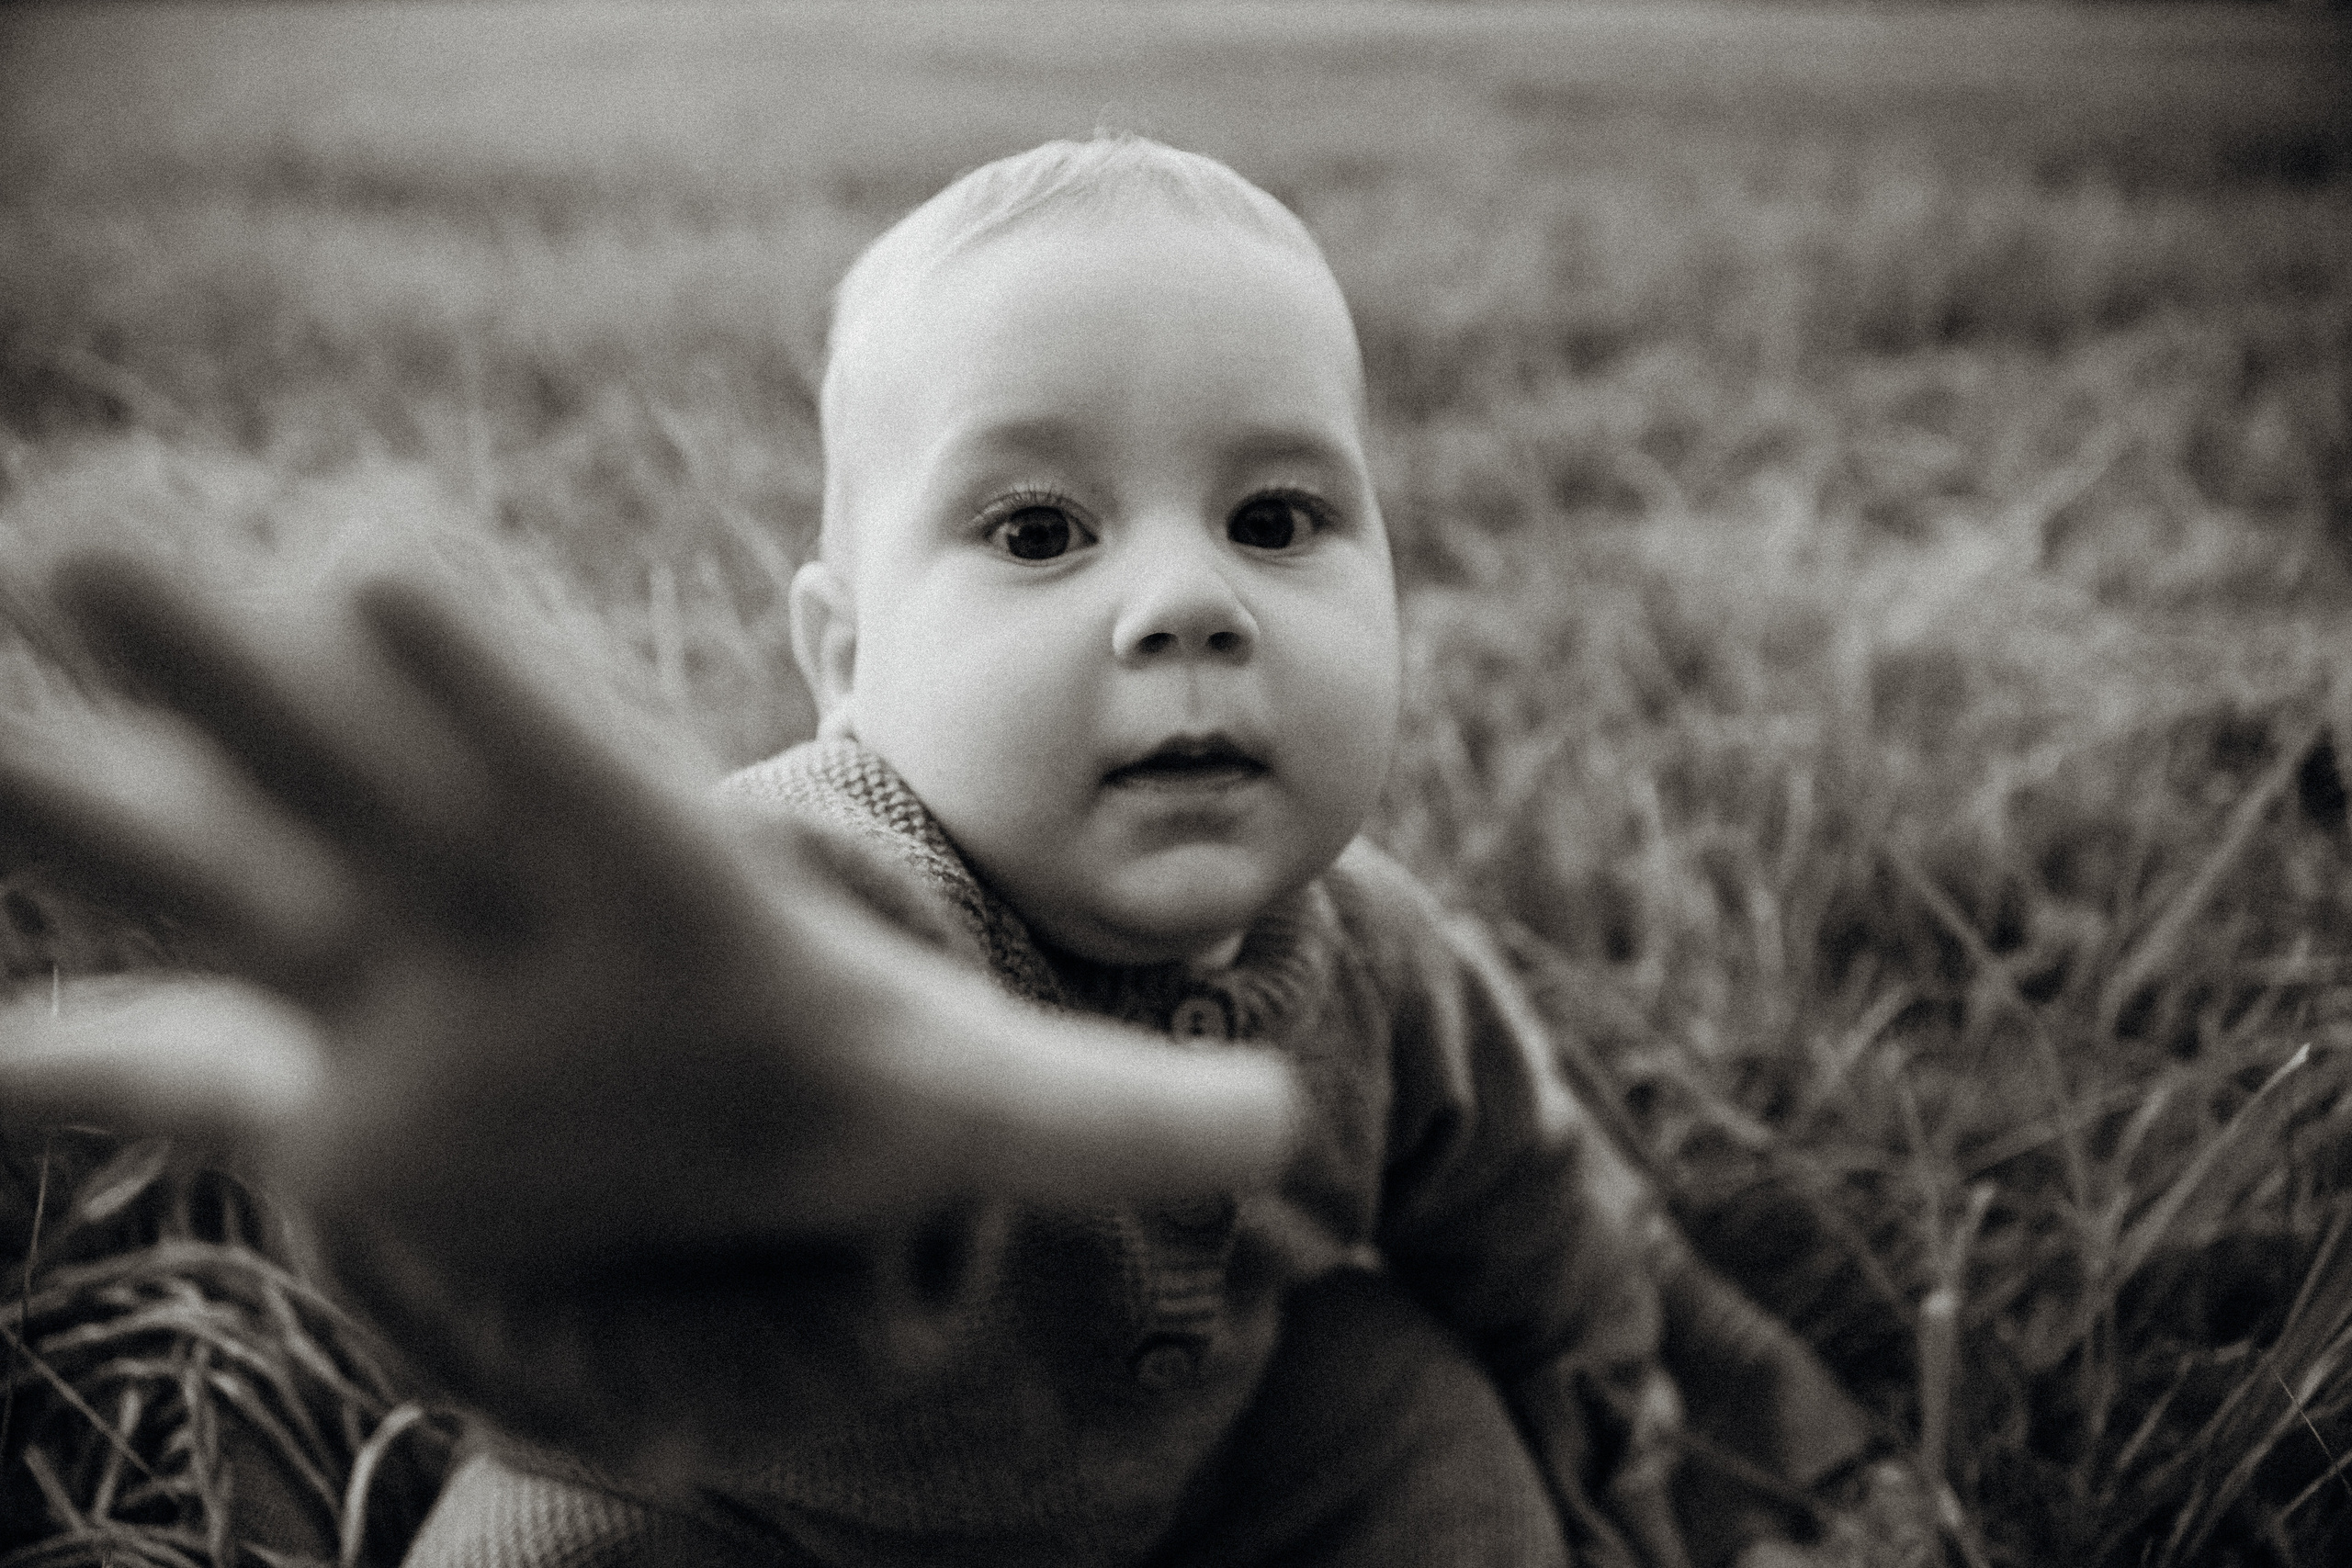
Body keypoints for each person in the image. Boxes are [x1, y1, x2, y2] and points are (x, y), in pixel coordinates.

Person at [1, 136, 1872, 1567]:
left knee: (1408, 1391)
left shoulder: (1376, 951)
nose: (1184, 600)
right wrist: (599, 1100)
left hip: (1212, 1455)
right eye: (1041, 528)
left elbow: (1531, 1210)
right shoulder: (822, 893)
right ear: (843, 659)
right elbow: (735, 978)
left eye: (1278, 514)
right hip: (731, 1498)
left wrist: (1699, 1421)